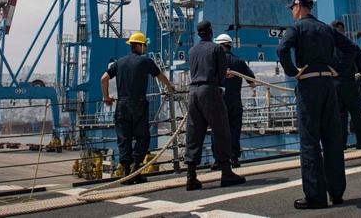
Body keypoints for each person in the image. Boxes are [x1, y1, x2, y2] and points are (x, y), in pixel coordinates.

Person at [277, 0, 356, 210]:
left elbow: (282, 50)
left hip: (308, 85)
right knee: (332, 138)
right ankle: (337, 193)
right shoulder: (326, 28)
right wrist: (338, 70)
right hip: (329, 85)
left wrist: (293, 71)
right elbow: (351, 49)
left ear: (299, 6)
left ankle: (315, 196)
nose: (291, 11)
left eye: (292, 7)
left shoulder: (296, 28)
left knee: (310, 139)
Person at [101, 32, 176, 184]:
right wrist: (169, 85)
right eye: (145, 45)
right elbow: (159, 76)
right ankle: (136, 168)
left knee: (124, 138)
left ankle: (126, 173)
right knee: (142, 137)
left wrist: (106, 97)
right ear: (140, 45)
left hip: (122, 105)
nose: (146, 48)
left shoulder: (119, 62)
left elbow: (103, 78)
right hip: (139, 104)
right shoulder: (146, 62)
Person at [184, 21, 246, 191]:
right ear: (211, 31)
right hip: (209, 91)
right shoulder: (217, 49)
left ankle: (191, 177)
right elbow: (221, 73)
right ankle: (226, 173)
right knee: (221, 130)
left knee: (194, 133)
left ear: (198, 33)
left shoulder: (192, 50)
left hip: (193, 93)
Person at [329, 20, 361, 163]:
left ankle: (340, 150)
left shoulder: (327, 47)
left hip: (332, 85)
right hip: (349, 83)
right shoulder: (353, 46)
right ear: (344, 31)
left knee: (338, 117)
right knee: (357, 115)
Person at [214, 33, 255, 167]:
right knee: (235, 130)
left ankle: (219, 160)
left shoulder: (215, 61)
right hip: (235, 101)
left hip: (219, 101)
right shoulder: (239, 61)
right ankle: (234, 158)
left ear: (220, 46)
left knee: (218, 130)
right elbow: (252, 80)